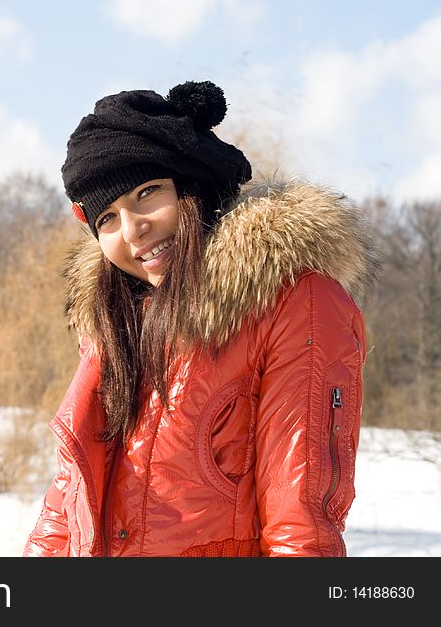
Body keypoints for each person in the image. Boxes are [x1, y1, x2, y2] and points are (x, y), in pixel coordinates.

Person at [22, 80, 378, 557]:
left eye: (147, 193)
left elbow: (301, 522)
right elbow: (67, 506)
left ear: (195, 187)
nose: (132, 230)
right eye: (106, 218)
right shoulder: (116, 323)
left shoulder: (295, 302)